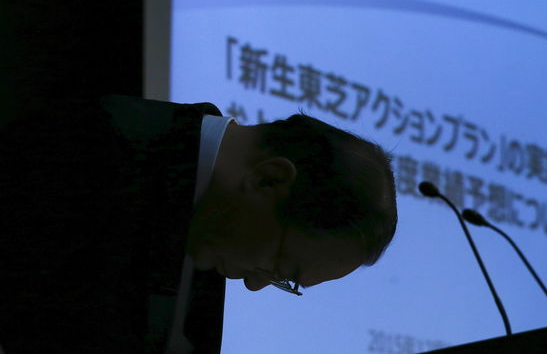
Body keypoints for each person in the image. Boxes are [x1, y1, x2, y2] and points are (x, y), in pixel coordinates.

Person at [0, 95, 397, 354]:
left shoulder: (210, 223)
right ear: (268, 179)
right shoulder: (89, 149)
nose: (256, 283)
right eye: (280, 265)